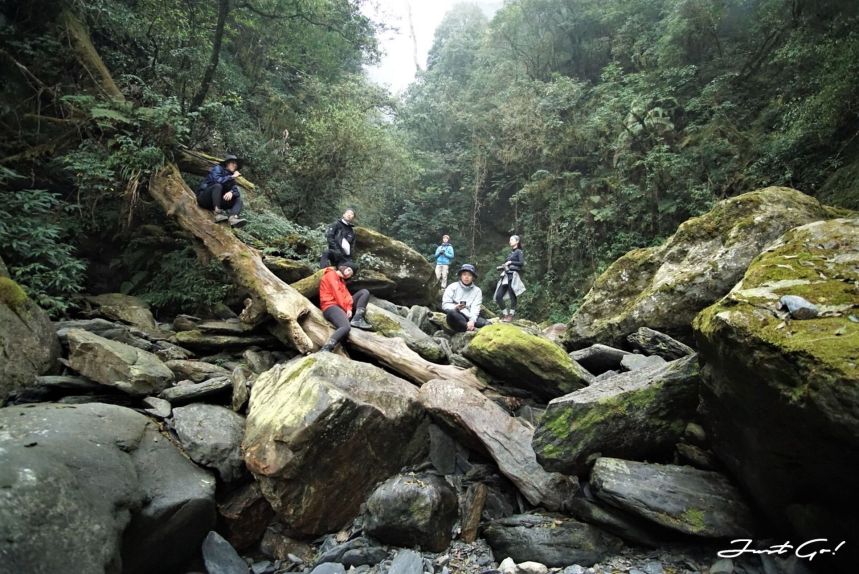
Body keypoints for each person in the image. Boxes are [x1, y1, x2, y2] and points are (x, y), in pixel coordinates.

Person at [319, 262, 372, 352]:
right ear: (343, 267)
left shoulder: (341, 281)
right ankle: (327, 348)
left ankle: (357, 318)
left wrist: (349, 308)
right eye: (348, 270)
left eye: (350, 274)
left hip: (339, 306)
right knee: (345, 327)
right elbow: (338, 294)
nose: (348, 273)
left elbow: (347, 296)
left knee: (364, 292)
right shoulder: (331, 275)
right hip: (330, 306)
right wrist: (346, 308)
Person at [196, 154, 247, 228]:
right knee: (218, 186)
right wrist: (231, 176)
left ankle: (233, 218)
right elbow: (216, 181)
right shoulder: (218, 168)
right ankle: (217, 214)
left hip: (214, 203)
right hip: (204, 198)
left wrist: (231, 192)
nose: (235, 165)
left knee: (238, 200)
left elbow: (236, 192)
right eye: (233, 163)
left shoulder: (231, 177)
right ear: (227, 163)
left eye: (236, 164)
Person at [442, 264, 489, 333]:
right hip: (456, 317)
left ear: (473, 277)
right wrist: (456, 307)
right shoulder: (452, 287)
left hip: (470, 317)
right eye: (464, 274)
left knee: (487, 324)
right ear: (461, 276)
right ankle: (467, 327)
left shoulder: (477, 291)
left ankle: (470, 327)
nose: (466, 277)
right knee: (452, 312)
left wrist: (472, 321)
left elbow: (475, 308)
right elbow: (445, 304)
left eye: (469, 275)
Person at [494, 235, 526, 322]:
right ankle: (505, 314)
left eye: (512, 240)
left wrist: (511, 262)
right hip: (506, 275)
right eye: (509, 240)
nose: (510, 241)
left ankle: (511, 315)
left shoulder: (519, 251)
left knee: (512, 295)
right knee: (498, 296)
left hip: (513, 275)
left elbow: (521, 263)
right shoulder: (510, 253)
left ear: (517, 241)